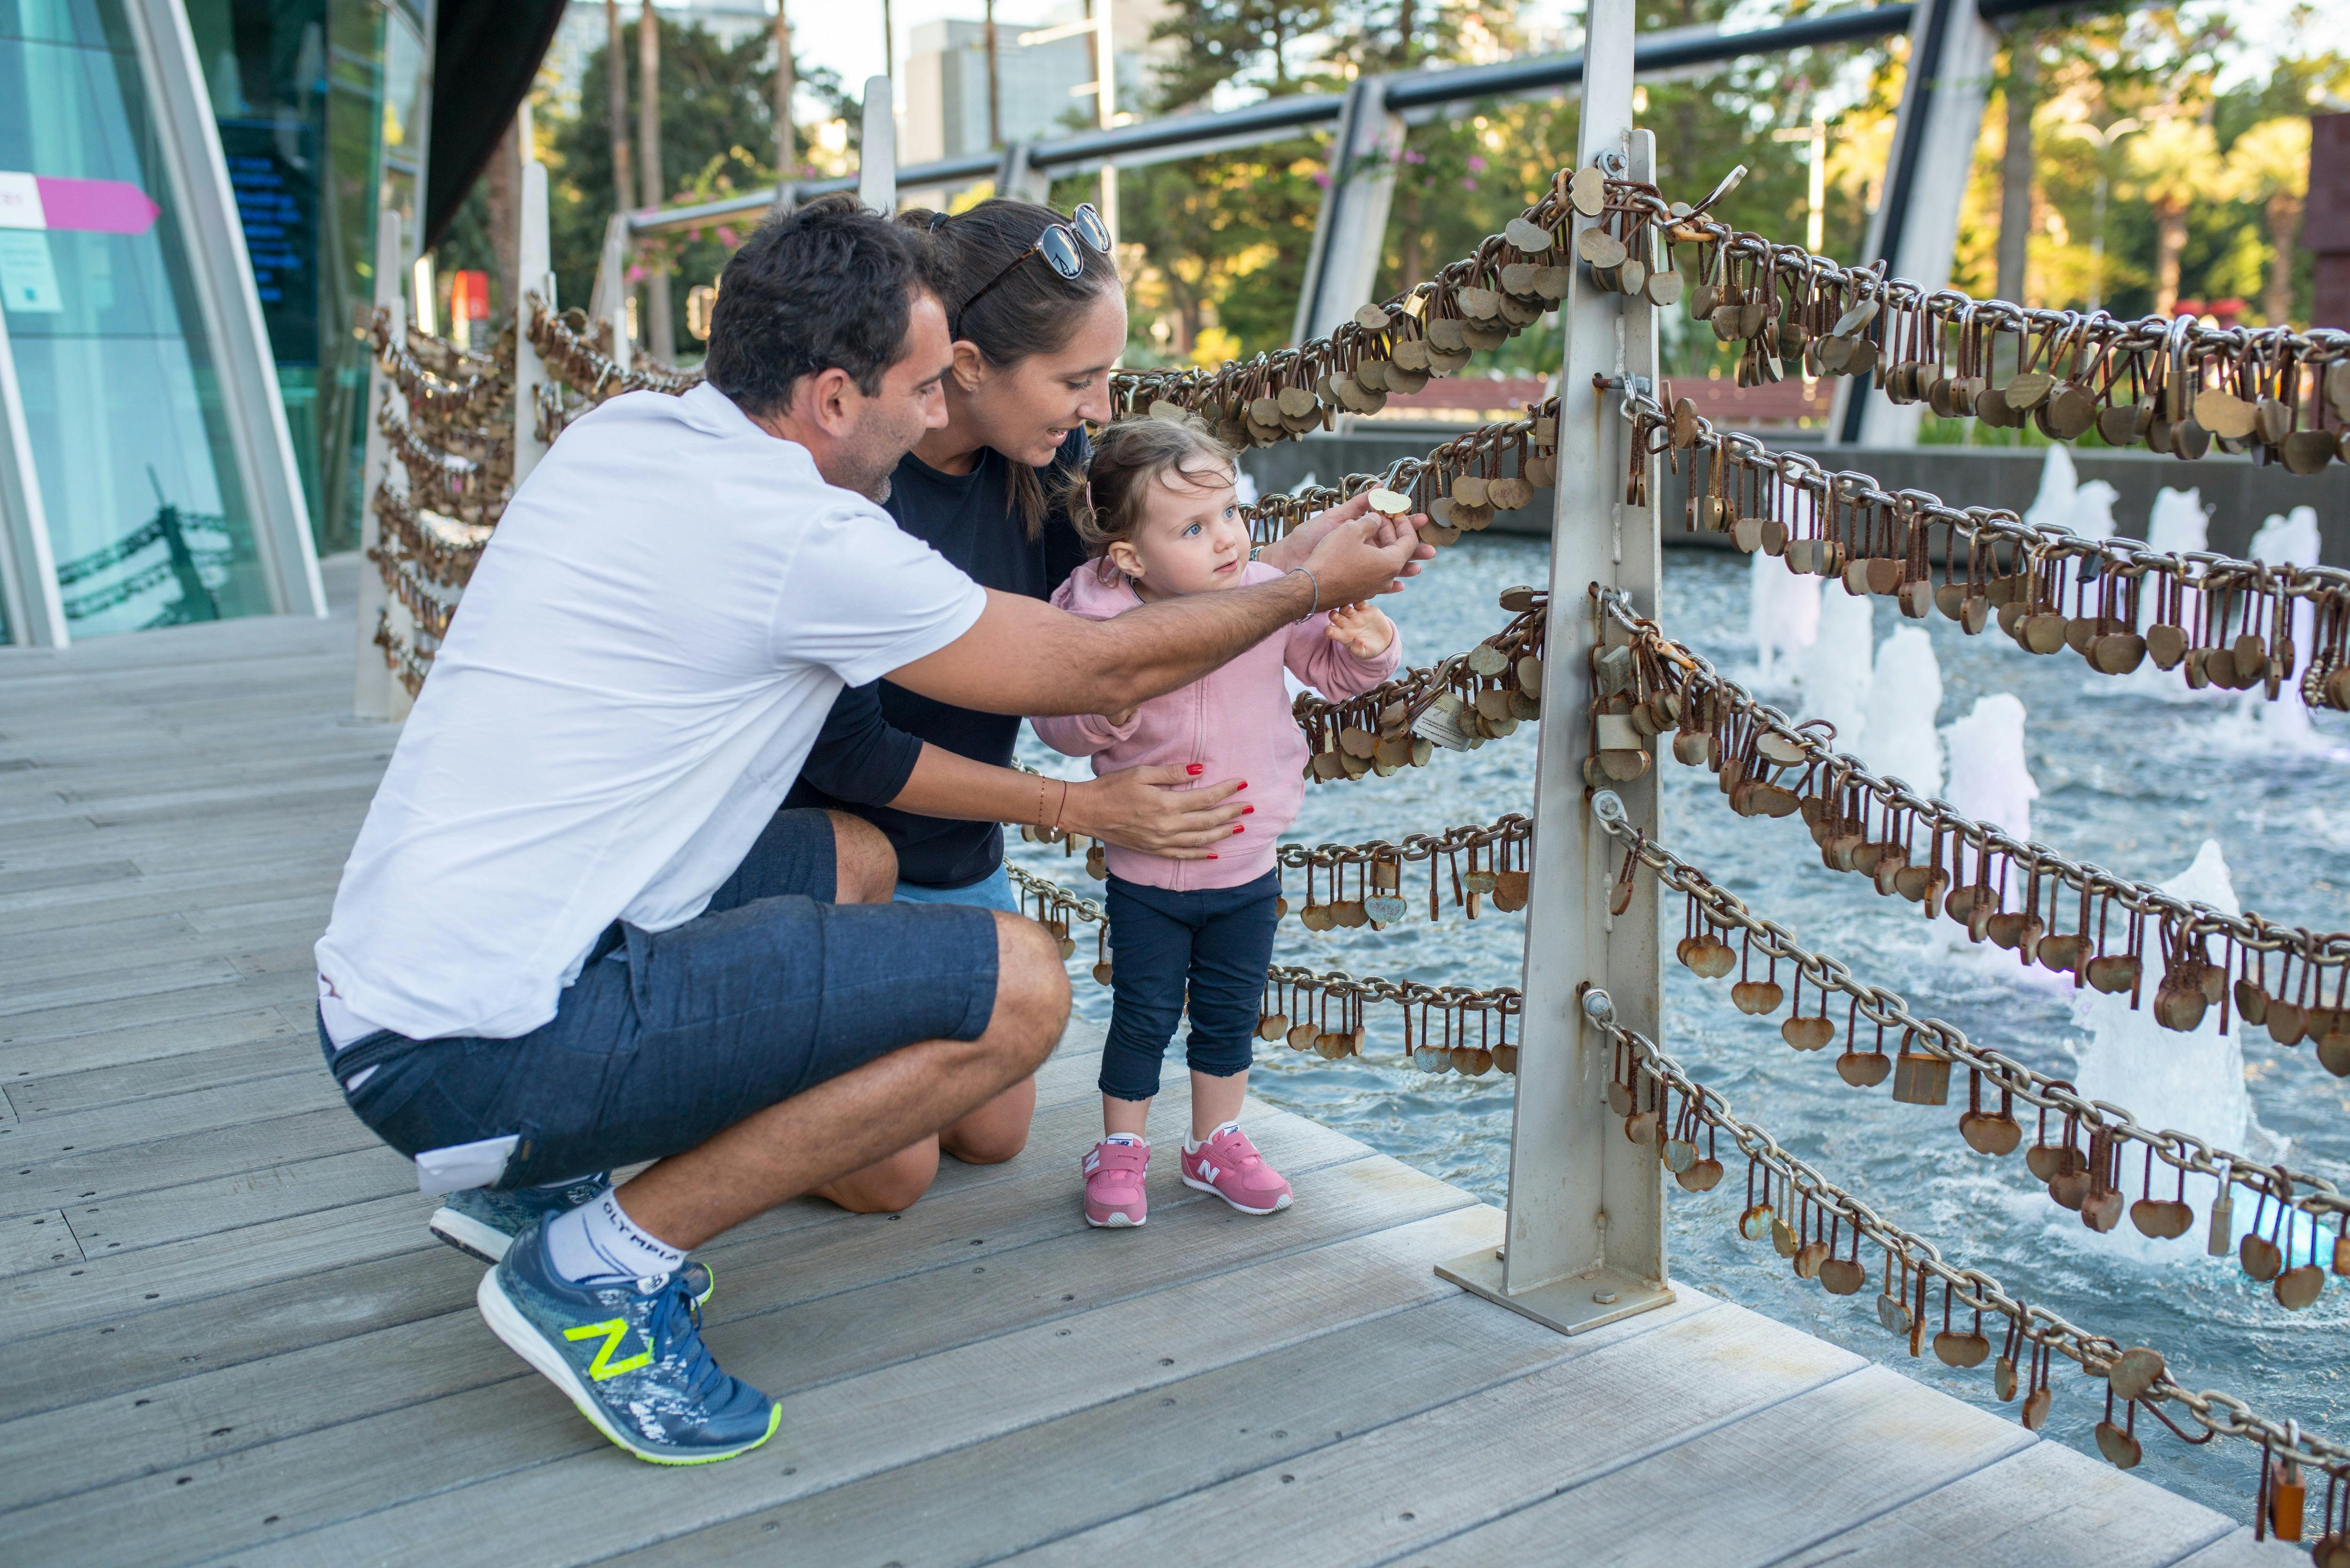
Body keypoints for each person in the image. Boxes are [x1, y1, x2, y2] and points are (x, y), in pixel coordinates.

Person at [308, 194, 1421, 1466]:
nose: (937, 412)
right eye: (916, 388)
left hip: (388, 996)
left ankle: (530, 1176)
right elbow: (1090, 673)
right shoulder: (810, 535)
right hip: (471, 1048)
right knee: (1023, 991)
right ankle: (596, 1269)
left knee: (863, 858)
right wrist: (1309, 589)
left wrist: (1287, 567)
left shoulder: (633, 430)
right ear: (836, 399)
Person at [778, 197, 1434, 1216]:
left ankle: (847, 1046)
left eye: (1105, 380)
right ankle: (740, 1073)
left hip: (956, 861)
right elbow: (856, 751)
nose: (1097, 409)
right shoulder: (865, 488)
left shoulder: (1046, 472)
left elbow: (1165, 604)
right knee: (893, 1177)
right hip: (844, 853)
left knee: (993, 1138)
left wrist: (1314, 563)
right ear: (964, 367)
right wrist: (1081, 810)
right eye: (1077, 381)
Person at [1032, 417, 1400, 1228]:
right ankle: (1121, 1149)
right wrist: (1106, 711)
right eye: (1195, 529)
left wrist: (1371, 645)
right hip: (1148, 873)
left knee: (1231, 1015)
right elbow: (1051, 720)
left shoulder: (1262, 592)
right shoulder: (1091, 617)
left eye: (1230, 513)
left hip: (1246, 867)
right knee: (1144, 1014)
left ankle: (1214, 1140)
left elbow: (1334, 674)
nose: (1228, 540)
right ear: (1131, 557)